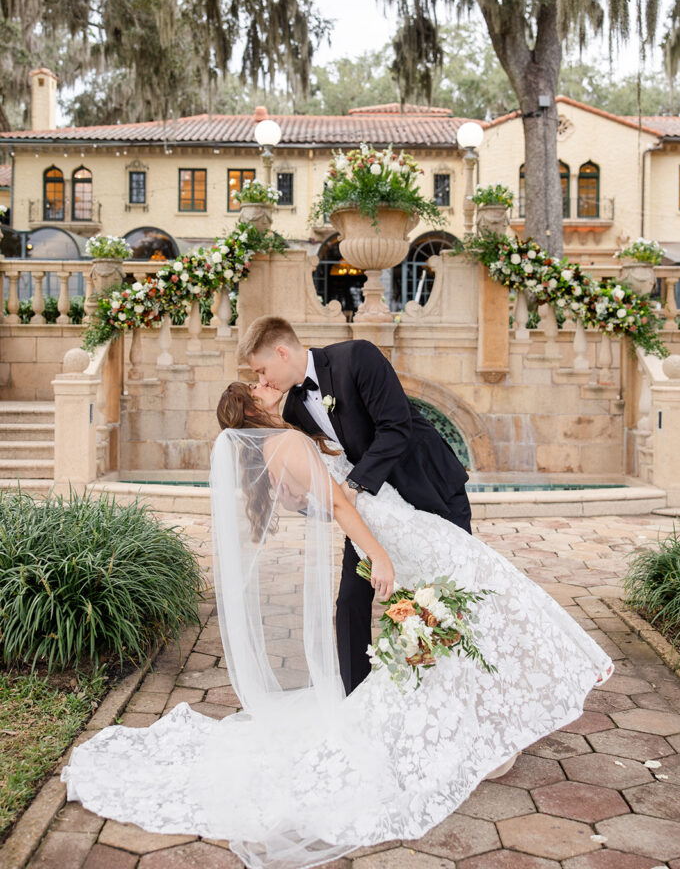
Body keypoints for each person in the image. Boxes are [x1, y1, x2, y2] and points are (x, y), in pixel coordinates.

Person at [61, 381, 613, 869]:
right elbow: (343, 510)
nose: (266, 385)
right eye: (257, 387)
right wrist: (381, 556)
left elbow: (316, 504)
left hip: (396, 521)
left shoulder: (276, 451)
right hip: (392, 528)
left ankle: (479, 715)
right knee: (480, 590)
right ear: (253, 408)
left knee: (468, 597)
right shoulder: (288, 444)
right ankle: (478, 722)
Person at [238, 315, 472, 694]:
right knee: (350, 600)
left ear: (282, 352)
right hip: (373, 508)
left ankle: (461, 690)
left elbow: (397, 426)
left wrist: (354, 485)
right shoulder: (294, 409)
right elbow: (312, 471)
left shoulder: (356, 357)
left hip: (430, 487)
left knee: (454, 589)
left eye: (262, 371)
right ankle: (354, 701)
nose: (263, 381)